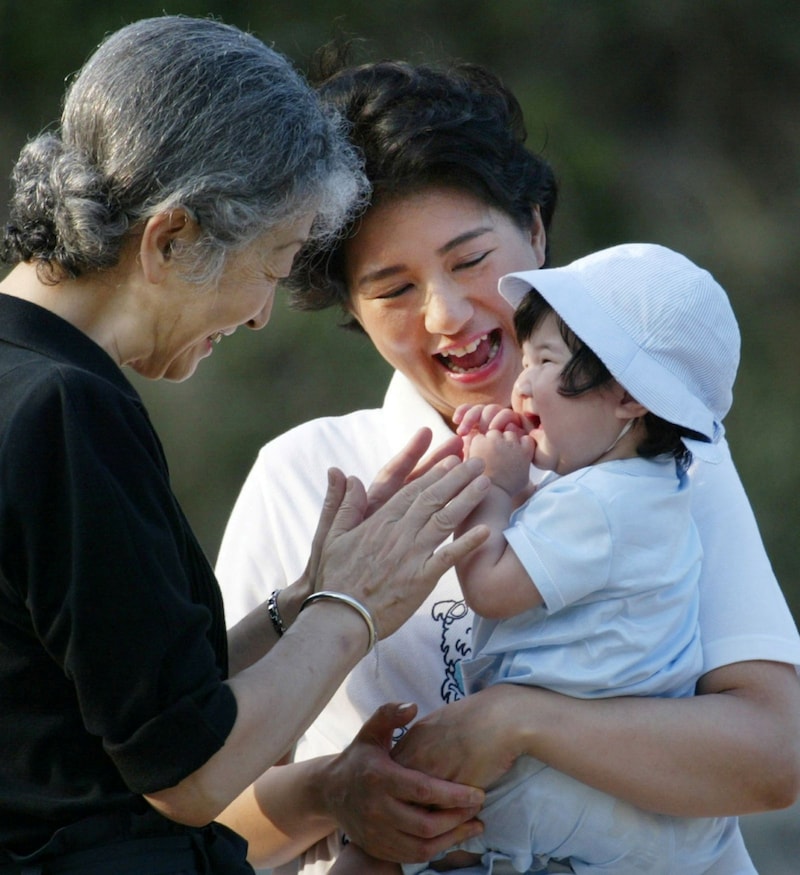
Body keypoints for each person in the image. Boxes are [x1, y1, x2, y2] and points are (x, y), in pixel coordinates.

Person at [215, 58, 800, 874]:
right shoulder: (307, 474)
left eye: (468, 260)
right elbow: (197, 810)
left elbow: (773, 757)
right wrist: (332, 793)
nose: (446, 314)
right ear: (352, 309)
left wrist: (516, 720)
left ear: (534, 228)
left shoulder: (666, 453)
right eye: (391, 288)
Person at [0, 21, 493, 874]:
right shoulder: (62, 409)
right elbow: (187, 771)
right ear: (171, 238)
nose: (262, 313)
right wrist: (355, 608)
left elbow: (121, 697)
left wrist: (302, 601)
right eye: (272, 263)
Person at [333, 242, 744, 874]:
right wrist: (515, 483)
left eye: (545, 360)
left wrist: (492, 490)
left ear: (629, 396)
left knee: (396, 818)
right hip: (614, 774)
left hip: (555, 775)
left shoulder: (602, 504)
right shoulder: (650, 490)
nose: (520, 384)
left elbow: (491, 588)